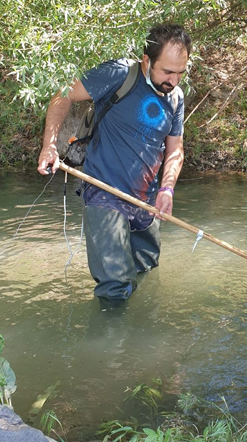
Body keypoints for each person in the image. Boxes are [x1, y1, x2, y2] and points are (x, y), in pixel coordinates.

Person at [37, 24, 191, 301]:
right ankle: (110, 342)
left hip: (146, 201)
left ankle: (140, 339)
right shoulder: (119, 74)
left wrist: (167, 189)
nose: (174, 80)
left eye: (181, 72)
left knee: (147, 272)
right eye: (167, 71)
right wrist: (49, 146)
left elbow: (175, 148)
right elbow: (63, 94)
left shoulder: (176, 98)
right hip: (104, 194)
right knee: (116, 287)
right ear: (147, 60)